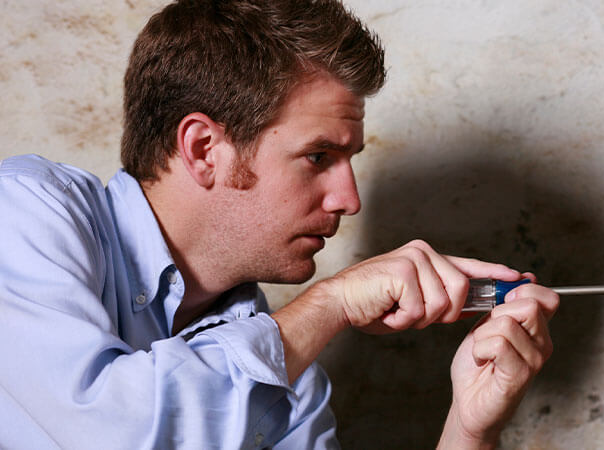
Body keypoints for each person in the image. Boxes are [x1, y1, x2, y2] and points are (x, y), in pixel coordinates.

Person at [0, 0, 558, 448]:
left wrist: (468, 428)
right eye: (318, 157)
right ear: (204, 149)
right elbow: (108, 433)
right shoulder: (25, 211)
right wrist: (331, 303)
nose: (349, 199)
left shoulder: (290, 374)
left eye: (350, 160)